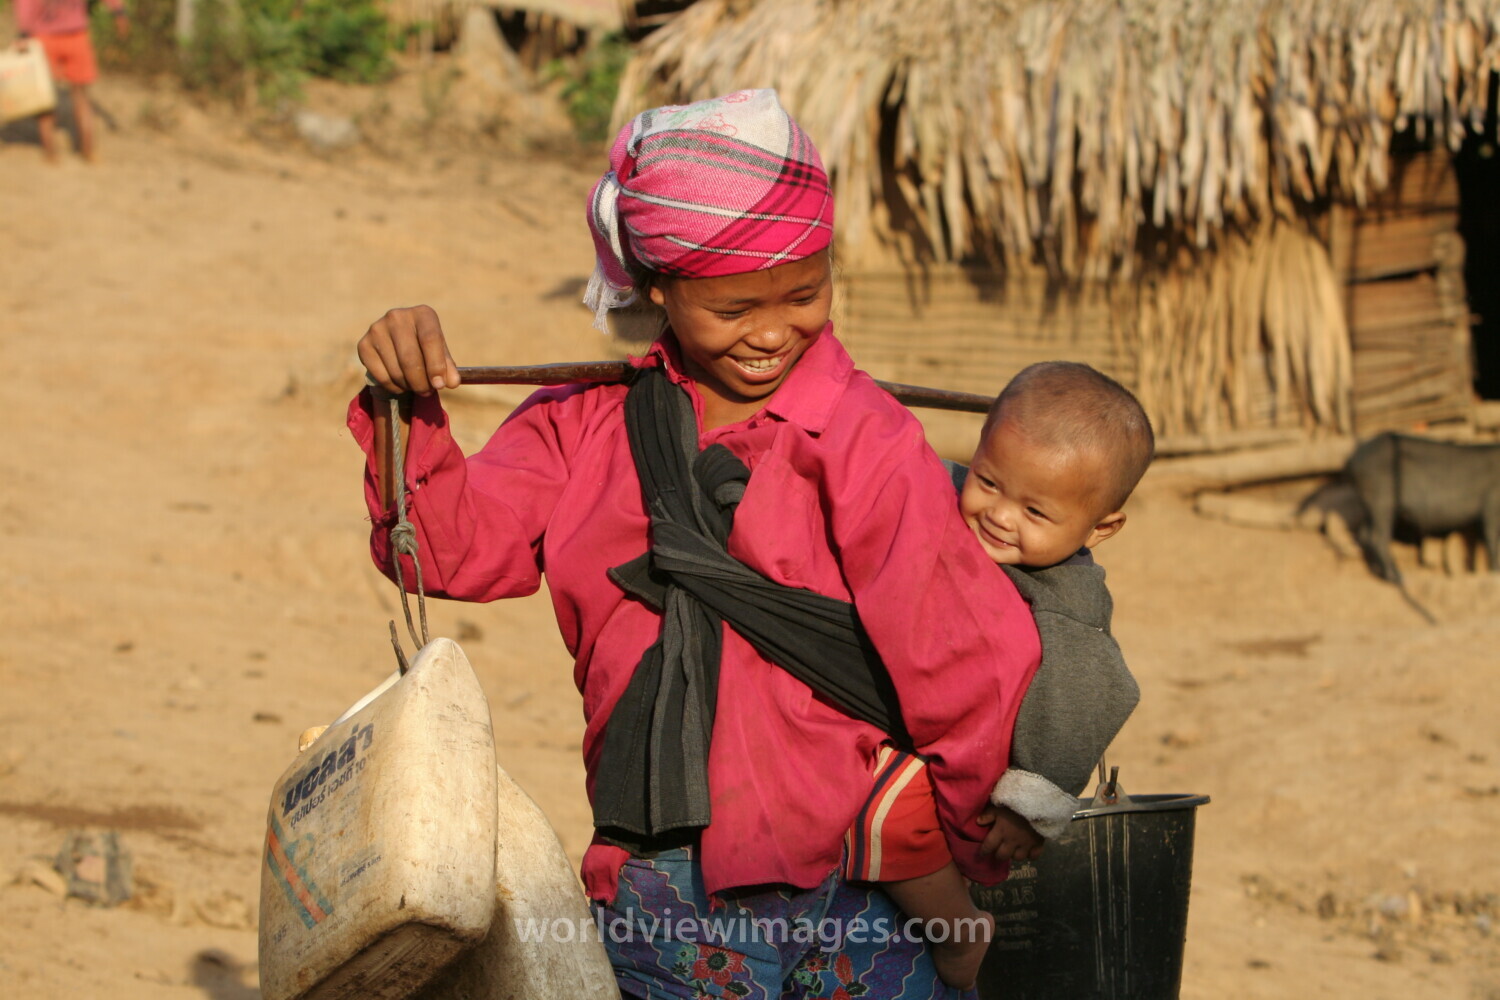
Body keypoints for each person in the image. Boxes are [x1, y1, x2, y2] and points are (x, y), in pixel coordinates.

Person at [350, 89, 1041, 999]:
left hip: (867, 873)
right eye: (734, 306)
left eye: (805, 294)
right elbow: (446, 554)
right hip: (665, 881)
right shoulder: (583, 427)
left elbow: (959, 654)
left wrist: (954, 845)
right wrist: (405, 410)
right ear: (660, 289)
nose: (774, 332)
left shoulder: (866, 438)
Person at [846, 361, 1151, 989]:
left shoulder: (1069, 598)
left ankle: (959, 930)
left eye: (1035, 511)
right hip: (911, 722)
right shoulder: (948, 491)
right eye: (988, 480)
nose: (1000, 515)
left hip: (983, 779)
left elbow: (1092, 694)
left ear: (1101, 528)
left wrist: (1031, 802)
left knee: (885, 819)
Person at [14, 0, 128, 163]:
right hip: (76, 36)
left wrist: (23, 34)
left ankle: (51, 153)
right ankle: (88, 152)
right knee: (81, 96)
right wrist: (118, 12)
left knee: (45, 97)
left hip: (44, 37)